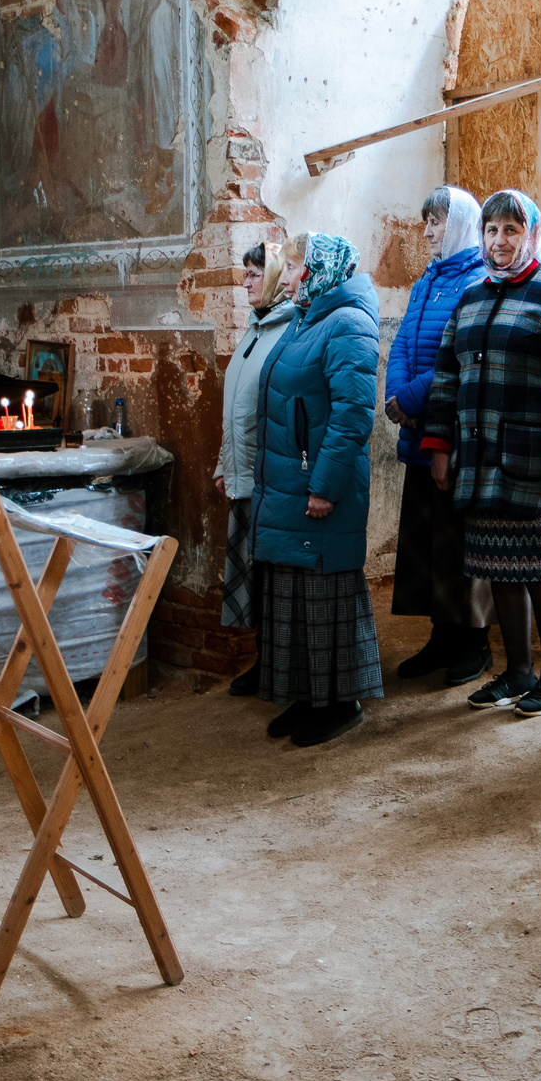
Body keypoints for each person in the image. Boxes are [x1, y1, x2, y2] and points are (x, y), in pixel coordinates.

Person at [420, 190, 541, 719]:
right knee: (499, 566)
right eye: (492, 231)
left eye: (511, 231)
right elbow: (447, 377)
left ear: (533, 235)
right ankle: (517, 671)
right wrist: (439, 445)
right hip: (479, 458)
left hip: (532, 462)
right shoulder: (471, 295)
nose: (499, 242)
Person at [250, 234, 384, 747]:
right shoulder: (310, 315)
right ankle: (307, 698)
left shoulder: (349, 324)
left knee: (325, 596)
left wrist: (324, 486)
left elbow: (352, 418)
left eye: (293, 267)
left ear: (319, 269)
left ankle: (340, 704)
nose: (284, 277)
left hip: (320, 488)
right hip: (289, 483)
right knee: (295, 598)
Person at [384, 186, 496, 686]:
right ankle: (440, 636)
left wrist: (409, 399)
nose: (428, 233)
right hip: (418, 428)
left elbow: (455, 356)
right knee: (428, 541)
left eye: (436, 224)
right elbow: (405, 341)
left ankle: (474, 643)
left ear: (459, 227)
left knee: (461, 542)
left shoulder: (477, 279)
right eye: (427, 222)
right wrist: (397, 394)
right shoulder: (427, 279)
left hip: (454, 433)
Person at [217, 241, 294, 697]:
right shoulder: (253, 330)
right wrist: (221, 466)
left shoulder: (288, 330)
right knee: (252, 575)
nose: (246, 283)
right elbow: (235, 409)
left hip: (271, 477)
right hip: (242, 473)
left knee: (271, 576)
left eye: (253, 274)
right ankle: (264, 660)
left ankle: (278, 665)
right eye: (245, 274)